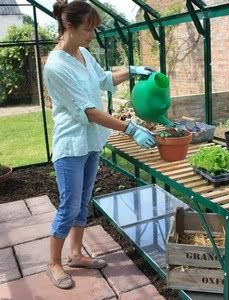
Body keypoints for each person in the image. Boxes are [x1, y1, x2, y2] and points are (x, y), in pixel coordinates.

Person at [44, 0, 156, 289]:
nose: (92, 36)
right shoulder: (56, 66)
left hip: (91, 142)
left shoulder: (82, 54)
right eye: (88, 29)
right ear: (69, 26)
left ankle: (76, 254)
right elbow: (88, 112)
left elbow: (104, 79)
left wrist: (132, 70)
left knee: (82, 202)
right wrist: (130, 128)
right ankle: (54, 263)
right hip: (71, 145)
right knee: (69, 206)